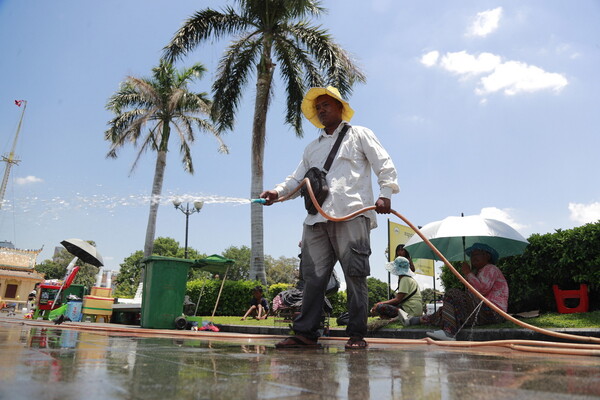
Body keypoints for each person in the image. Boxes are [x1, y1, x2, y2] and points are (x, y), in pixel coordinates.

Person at [261, 86, 399, 349]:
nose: (322, 110)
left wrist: (386, 194)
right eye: (318, 107)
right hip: (316, 220)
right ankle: (306, 333)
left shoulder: (359, 134)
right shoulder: (312, 148)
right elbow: (297, 180)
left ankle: (357, 335)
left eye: (326, 104)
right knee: (312, 278)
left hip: (352, 213)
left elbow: (384, 163)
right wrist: (277, 192)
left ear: (340, 107)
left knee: (355, 275)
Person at [406, 243, 508, 341]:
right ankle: (417, 320)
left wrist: (468, 273)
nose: (473, 258)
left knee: (453, 293)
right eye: (471, 256)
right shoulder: (479, 272)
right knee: (446, 311)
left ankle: (449, 332)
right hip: (485, 311)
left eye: (476, 254)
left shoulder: (490, 268)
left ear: (487, 256)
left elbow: (481, 290)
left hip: (493, 311)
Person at [371, 256, 423, 321]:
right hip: (415, 309)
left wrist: (380, 303)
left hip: (410, 310)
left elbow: (397, 300)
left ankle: (393, 318)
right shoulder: (409, 279)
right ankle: (388, 318)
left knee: (380, 307)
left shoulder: (404, 279)